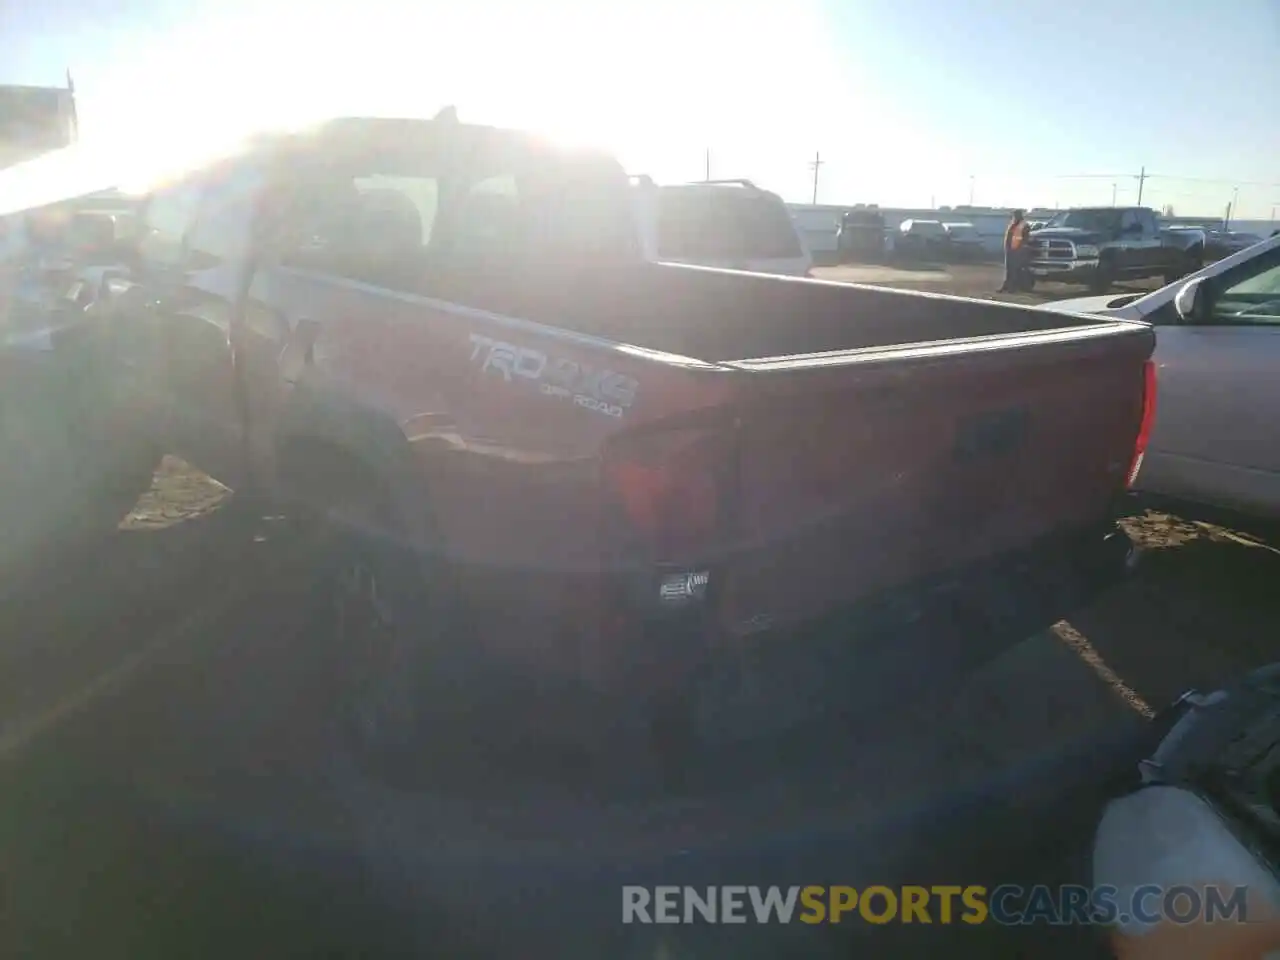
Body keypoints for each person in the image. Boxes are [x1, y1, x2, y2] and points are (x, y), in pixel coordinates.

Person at [1000, 208, 1031, 292]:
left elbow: (1025, 238)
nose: (1014, 216)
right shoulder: (1013, 223)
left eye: (1015, 215)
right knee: (1008, 268)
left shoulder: (1024, 225)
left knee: (1015, 269)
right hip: (1009, 249)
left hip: (1017, 250)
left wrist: (1020, 248)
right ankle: (1006, 285)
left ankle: (1013, 287)